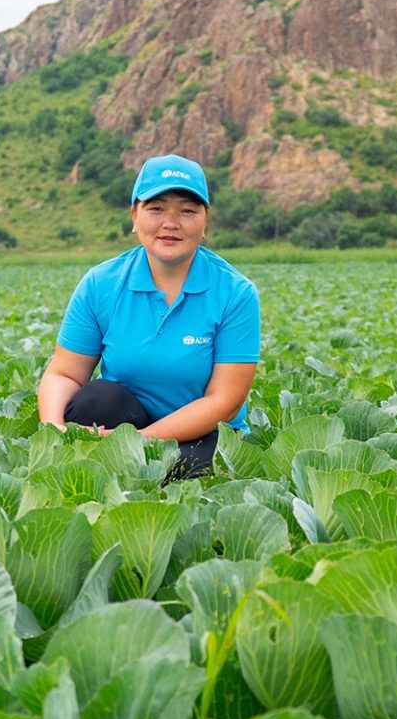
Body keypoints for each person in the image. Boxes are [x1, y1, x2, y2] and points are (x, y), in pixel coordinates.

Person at [36, 153, 259, 477]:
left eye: (187, 210)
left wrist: (138, 443)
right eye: (156, 209)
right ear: (134, 215)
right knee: (95, 402)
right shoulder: (101, 283)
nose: (171, 223)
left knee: (186, 467)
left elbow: (224, 402)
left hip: (202, 435)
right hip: (127, 420)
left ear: (205, 220)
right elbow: (64, 374)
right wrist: (53, 429)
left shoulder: (236, 292)